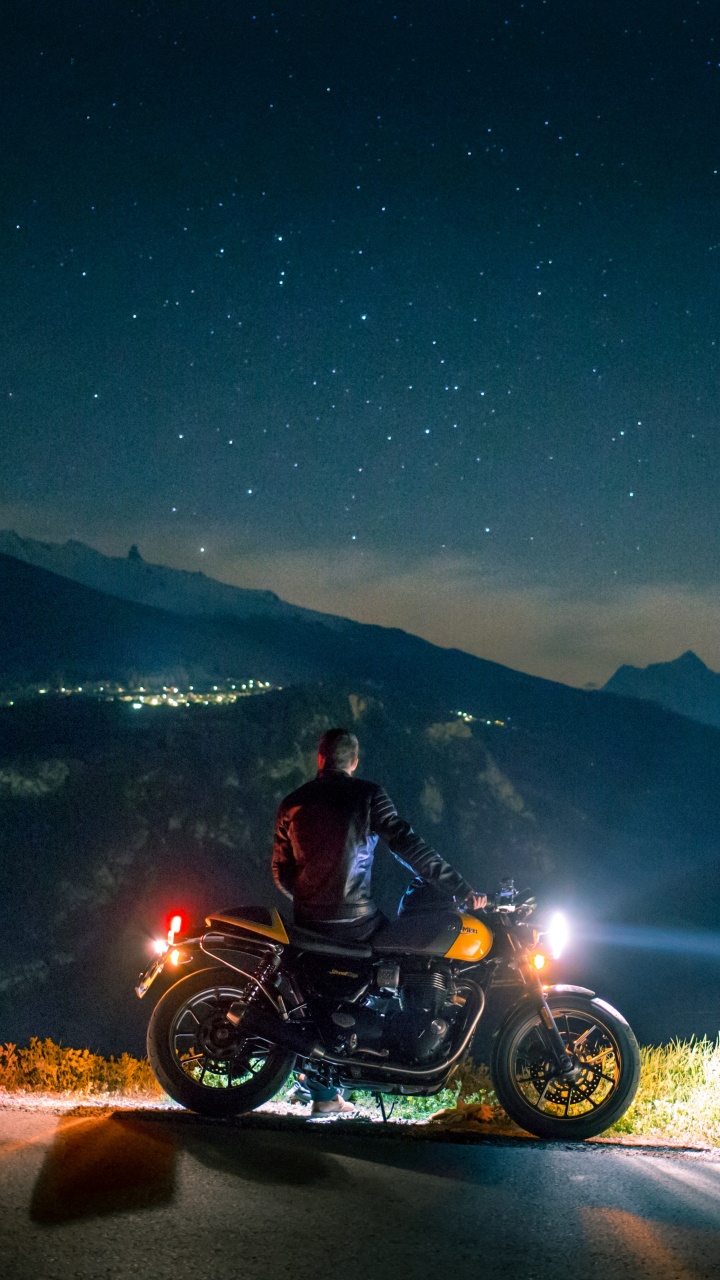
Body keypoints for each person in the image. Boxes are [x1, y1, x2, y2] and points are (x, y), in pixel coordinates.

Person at [272, 727, 486, 1115]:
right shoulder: (368, 795)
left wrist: (309, 901)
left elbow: (280, 871)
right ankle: (383, 1058)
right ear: (353, 762)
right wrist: (461, 888)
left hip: (306, 922)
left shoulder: (293, 802)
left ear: (320, 759)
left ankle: (316, 1085)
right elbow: (408, 846)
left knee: (327, 990)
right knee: (405, 962)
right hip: (356, 921)